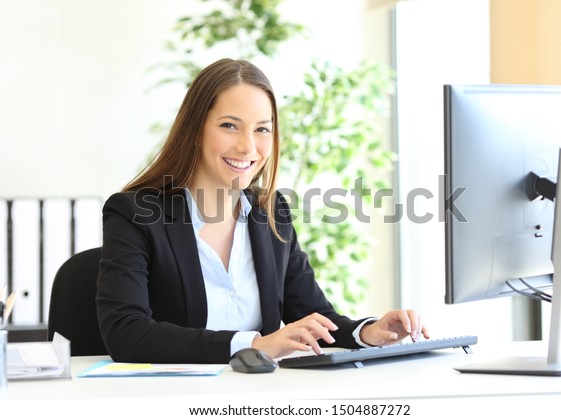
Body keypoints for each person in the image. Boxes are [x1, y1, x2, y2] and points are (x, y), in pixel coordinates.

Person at [96, 58, 429, 364]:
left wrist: (368, 332)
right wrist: (253, 345)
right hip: (173, 399)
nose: (248, 147)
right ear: (195, 130)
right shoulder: (135, 213)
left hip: (260, 395)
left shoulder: (270, 212)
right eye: (229, 126)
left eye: (262, 129)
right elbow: (126, 333)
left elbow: (314, 315)